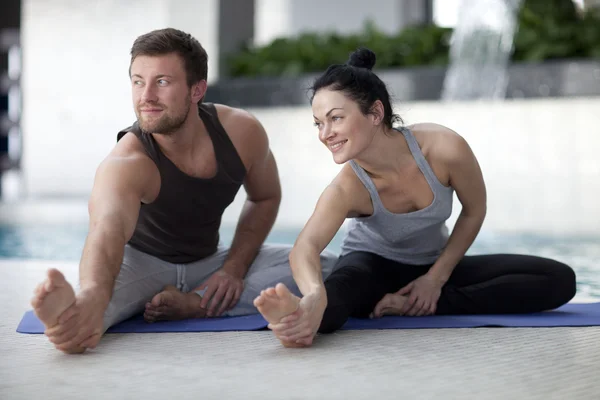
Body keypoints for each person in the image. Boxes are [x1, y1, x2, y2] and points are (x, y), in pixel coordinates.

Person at [29, 28, 337, 354]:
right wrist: (93, 292)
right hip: (142, 264)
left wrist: (233, 269)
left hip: (210, 262)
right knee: (95, 310)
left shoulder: (241, 133)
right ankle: (69, 315)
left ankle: (195, 303)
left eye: (161, 82)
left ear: (197, 90)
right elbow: (106, 232)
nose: (145, 95)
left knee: (325, 267)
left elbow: (265, 197)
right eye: (137, 81)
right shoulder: (126, 162)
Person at [253, 47, 577, 347]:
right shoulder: (346, 188)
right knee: (338, 297)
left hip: (433, 263)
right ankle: (301, 314)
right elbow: (304, 249)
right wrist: (312, 294)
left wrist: (434, 280)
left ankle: (415, 305)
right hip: (371, 268)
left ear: (375, 112)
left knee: (558, 280)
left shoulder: (444, 149)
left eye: (335, 118)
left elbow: (474, 210)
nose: (325, 134)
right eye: (319, 124)